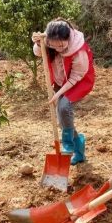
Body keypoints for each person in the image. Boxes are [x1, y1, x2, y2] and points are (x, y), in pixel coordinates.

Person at [32, 19, 95, 165]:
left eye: (61, 45)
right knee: (62, 119)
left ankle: (67, 143)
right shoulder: (50, 43)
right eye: (54, 46)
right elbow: (38, 53)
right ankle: (79, 151)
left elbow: (75, 77)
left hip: (78, 82)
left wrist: (59, 93)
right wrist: (37, 43)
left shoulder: (79, 51)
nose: (58, 49)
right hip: (60, 82)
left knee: (64, 107)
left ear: (68, 38)